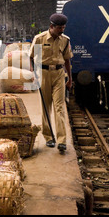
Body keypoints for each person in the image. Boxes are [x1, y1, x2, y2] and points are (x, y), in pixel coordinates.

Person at [29, 13, 73, 153]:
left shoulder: (65, 40)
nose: (62, 30)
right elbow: (30, 58)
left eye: (63, 27)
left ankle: (61, 140)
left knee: (59, 107)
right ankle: (48, 137)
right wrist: (33, 75)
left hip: (59, 74)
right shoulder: (40, 39)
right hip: (43, 74)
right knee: (45, 106)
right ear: (51, 26)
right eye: (59, 27)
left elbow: (67, 60)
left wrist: (70, 79)